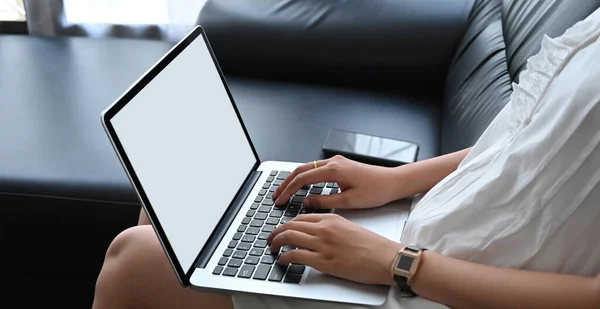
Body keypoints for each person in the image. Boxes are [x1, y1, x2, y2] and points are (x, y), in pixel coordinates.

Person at [91, 8, 600, 309]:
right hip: (425, 236)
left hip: (445, 288)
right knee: (179, 224)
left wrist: (398, 265)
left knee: (134, 263)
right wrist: (394, 181)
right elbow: (523, 138)